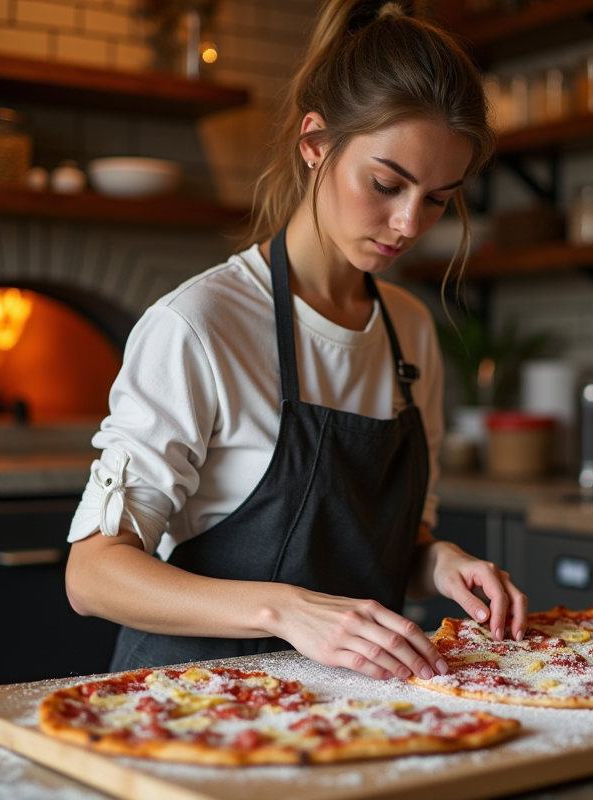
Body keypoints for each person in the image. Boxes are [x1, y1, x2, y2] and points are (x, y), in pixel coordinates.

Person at [64, 0, 528, 683]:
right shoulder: (199, 324)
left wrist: (440, 562)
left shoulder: (410, 332)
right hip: (191, 712)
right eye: (386, 183)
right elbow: (92, 574)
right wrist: (284, 611)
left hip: (354, 716)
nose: (407, 223)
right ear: (315, 144)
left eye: (437, 198)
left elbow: (380, 548)